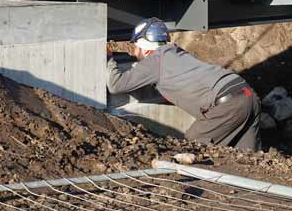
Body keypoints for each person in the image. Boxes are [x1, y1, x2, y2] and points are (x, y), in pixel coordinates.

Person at [107, 18, 260, 148]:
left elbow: (116, 85)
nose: (133, 53)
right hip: (247, 94)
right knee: (250, 161)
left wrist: (109, 58)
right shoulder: (176, 53)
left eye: (135, 48)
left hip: (227, 105)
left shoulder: (155, 60)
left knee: (193, 147)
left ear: (146, 50)